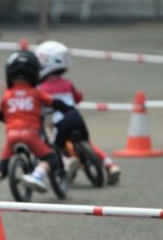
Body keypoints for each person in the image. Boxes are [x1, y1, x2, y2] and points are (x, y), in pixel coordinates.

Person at [0, 50, 72, 204]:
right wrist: (67, 108)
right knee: (51, 158)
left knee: (3, 165)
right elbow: (53, 102)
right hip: (30, 133)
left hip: (11, 135)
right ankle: (37, 175)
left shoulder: (7, 94)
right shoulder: (35, 92)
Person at [35, 40, 121, 185]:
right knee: (88, 142)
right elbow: (77, 97)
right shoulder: (68, 83)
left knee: (53, 146)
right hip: (76, 117)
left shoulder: (42, 87)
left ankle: (67, 161)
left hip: (59, 122)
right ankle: (110, 165)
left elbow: (41, 104)